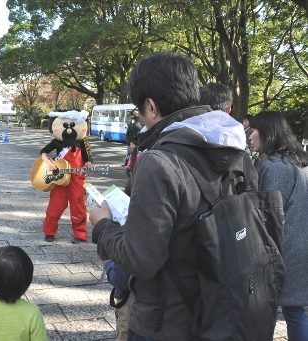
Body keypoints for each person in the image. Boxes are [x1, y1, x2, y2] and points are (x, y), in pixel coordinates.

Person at [89, 52, 258, 340]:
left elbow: (141, 260)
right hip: (227, 309)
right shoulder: (238, 151)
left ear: (151, 106)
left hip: (167, 322)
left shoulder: (159, 162)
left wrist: (103, 224)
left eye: (139, 110)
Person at [249, 111, 308, 341]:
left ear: (268, 133)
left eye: (254, 130)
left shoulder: (275, 167)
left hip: (283, 249)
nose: (251, 135)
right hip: (300, 245)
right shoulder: (300, 161)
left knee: (266, 309)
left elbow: (267, 214)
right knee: (295, 311)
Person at [40, 110, 93, 243]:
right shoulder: (57, 142)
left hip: (77, 178)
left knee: (78, 206)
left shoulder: (83, 142)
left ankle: (80, 234)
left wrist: (88, 164)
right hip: (60, 178)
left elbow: (88, 158)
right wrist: (49, 162)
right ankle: (49, 232)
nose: (69, 130)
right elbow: (43, 152)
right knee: (55, 205)